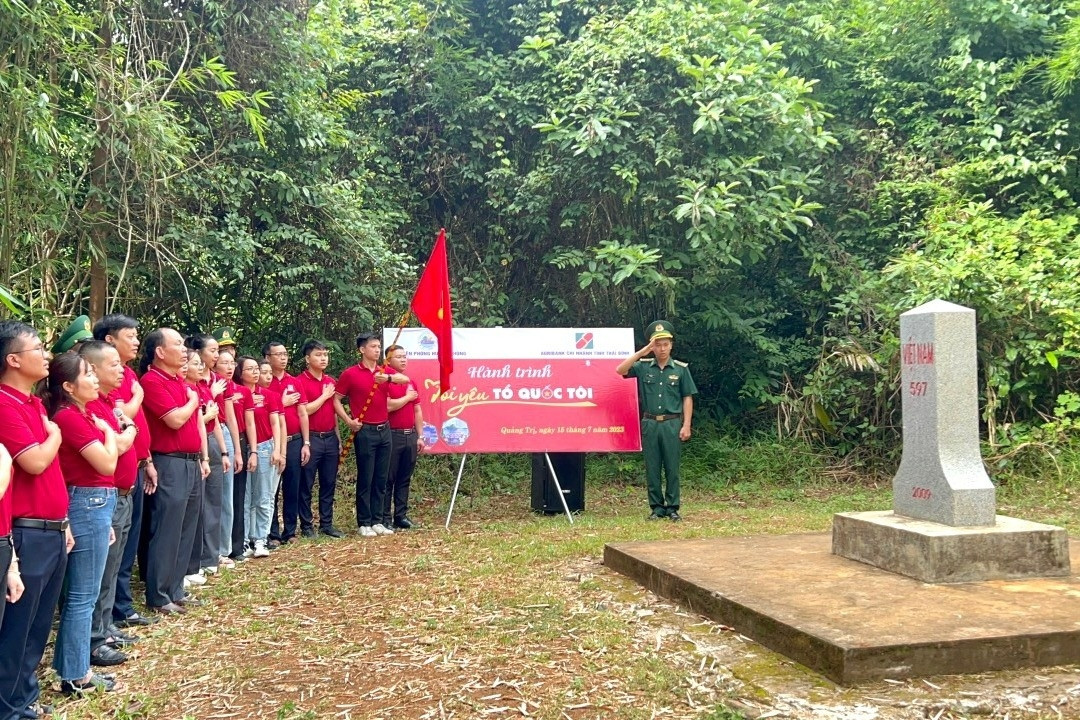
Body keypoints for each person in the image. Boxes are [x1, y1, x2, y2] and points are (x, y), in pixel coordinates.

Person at [46, 352, 133, 695]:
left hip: (95, 502)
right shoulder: (69, 417)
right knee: (83, 595)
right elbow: (107, 462)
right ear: (68, 386)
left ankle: (72, 666)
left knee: (85, 593)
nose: (96, 379)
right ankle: (76, 673)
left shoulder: (81, 413)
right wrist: (112, 434)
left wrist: (108, 432)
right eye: (88, 375)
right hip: (87, 500)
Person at [0, 322, 73, 719]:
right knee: (18, 626)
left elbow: (51, 473)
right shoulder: (4, 405)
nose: (46, 354)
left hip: (51, 528)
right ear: (13, 360)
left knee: (36, 625)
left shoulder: (33, 404)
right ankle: (10, 706)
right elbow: (34, 460)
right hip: (25, 532)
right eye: (38, 348)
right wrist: (56, 436)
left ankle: (23, 698)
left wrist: (65, 523)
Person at [92, 314, 158, 630]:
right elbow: (122, 417)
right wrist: (138, 395)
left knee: (126, 544)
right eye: (130, 336)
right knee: (113, 547)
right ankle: (111, 615)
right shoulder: (103, 378)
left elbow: (135, 425)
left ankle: (121, 607)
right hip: (110, 476)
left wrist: (146, 459)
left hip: (136, 464)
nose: (136, 341)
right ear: (109, 340)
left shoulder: (127, 373)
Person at [79, 340, 141, 668]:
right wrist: (126, 431)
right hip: (104, 497)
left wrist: (124, 431)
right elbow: (116, 443)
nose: (121, 371)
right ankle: (94, 639)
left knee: (112, 566)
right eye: (113, 365)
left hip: (121, 493)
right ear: (91, 369)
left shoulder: (109, 402)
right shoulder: (90, 407)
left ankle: (105, 629)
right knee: (100, 573)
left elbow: (122, 438)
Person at [139, 328, 210, 614]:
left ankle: (176, 588)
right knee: (167, 528)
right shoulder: (152, 381)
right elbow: (175, 420)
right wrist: (194, 400)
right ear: (159, 352)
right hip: (169, 461)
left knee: (186, 528)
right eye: (177, 344)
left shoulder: (178, 381)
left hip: (191, 461)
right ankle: (158, 594)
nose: (184, 349)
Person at [616, 320, 697, 521]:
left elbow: (687, 396)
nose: (662, 349)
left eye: (665, 344)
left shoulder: (680, 369)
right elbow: (620, 370)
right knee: (652, 467)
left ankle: (672, 507)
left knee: (672, 467)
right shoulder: (643, 367)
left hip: (671, 423)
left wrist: (686, 424)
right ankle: (657, 508)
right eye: (658, 344)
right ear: (652, 346)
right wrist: (641, 352)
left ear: (671, 345)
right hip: (650, 423)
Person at [335, 332, 410, 537]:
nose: (377, 350)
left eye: (379, 346)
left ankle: (378, 520)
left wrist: (387, 377)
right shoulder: (351, 373)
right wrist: (349, 421)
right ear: (362, 350)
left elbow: (404, 379)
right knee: (366, 476)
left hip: (384, 429)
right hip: (365, 430)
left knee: (381, 477)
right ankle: (364, 522)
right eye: (373, 346)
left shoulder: (383, 370)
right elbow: (336, 399)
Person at [185, 335, 229, 579]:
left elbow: (215, 424)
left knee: (214, 503)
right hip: (196, 450)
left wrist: (224, 452)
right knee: (198, 508)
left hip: (210, 445)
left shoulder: (202, 387)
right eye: (210, 351)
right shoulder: (191, 389)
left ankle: (211, 557)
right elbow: (198, 422)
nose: (203, 365)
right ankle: (197, 560)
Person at [234, 357, 282, 558]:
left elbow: (276, 424)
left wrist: (278, 450)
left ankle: (261, 538)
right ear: (241, 372)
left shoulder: (269, 396)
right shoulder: (236, 394)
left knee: (263, 496)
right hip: (243, 447)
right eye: (250, 369)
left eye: (257, 369)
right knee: (245, 498)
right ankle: (244, 540)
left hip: (264, 447)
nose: (255, 373)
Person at [297, 340, 343, 538]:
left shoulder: (331, 381)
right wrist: (324, 397)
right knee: (306, 483)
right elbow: (304, 410)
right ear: (308, 358)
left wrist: (339, 439)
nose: (323, 358)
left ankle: (327, 523)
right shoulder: (299, 381)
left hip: (330, 438)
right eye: (318, 354)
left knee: (328, 482)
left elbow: (333, 413)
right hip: (311, 438)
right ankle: (307, 525)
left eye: (325, 354)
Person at [264, 342, 309, 546]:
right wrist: (282, 403)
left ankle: (290, 531)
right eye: (278, 354)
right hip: (272, 442)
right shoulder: (263, 381)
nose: (283, 358)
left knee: (293, 486)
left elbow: (302, 412)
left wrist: (306, 442)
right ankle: (272, 533)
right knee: (271, 488)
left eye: (285, 354)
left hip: (294, 440)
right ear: (267, 357)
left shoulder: (294, 381)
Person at [383, 345, 424, 529]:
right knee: (388, 478)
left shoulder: (410, 381)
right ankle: (385, 518)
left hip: (410, 435)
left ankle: (401, 516)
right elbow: (388, 406)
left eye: (405, 356)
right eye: (398, 357)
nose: (403, 360)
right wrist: (406, 398)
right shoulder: (386, 380)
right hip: (392, 434)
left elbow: (417, 409)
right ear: (388, 360)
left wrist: (420, 436)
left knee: (404, 478)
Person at [212, 346, 241, 568]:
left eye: (232, 363)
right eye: (224, 362)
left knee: (227, 496)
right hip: (210, 432)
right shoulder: (207, 382)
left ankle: (224, 548)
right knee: (213, 497)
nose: (230, 367)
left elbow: (231, 418)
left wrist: (237, 450)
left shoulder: (228, 385)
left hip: (226, 435)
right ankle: (213, 551)